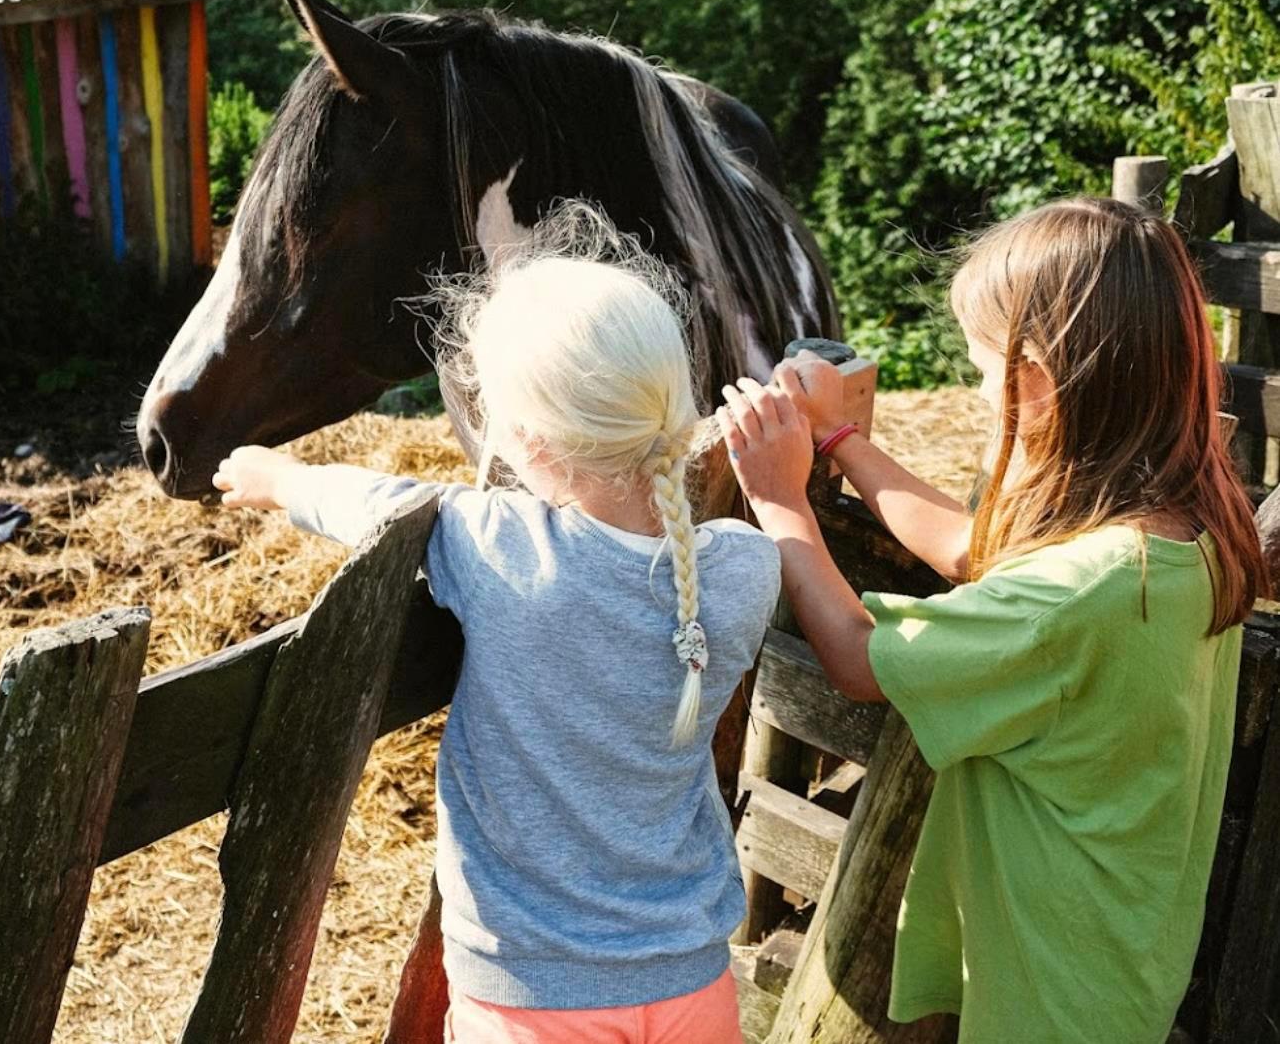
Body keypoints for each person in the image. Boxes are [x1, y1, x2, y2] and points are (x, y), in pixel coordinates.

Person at [215, 203, 778, 1043]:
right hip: (692, 976)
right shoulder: (740, 568)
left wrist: (278, 475)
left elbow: (377, 503)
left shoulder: (501, 548)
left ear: (526, 440)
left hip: (531, 991)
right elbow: (765, 552)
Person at [720, 197, 1265, 1044]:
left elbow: (863, 660)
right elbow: (980, 552)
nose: (975, 391)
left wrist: (780, 502)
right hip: (1116, 962)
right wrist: (837, 441)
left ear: (1039, 385)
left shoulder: (1082, 592)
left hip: (1048, 997)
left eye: (981, 369)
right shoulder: (1181, 528)